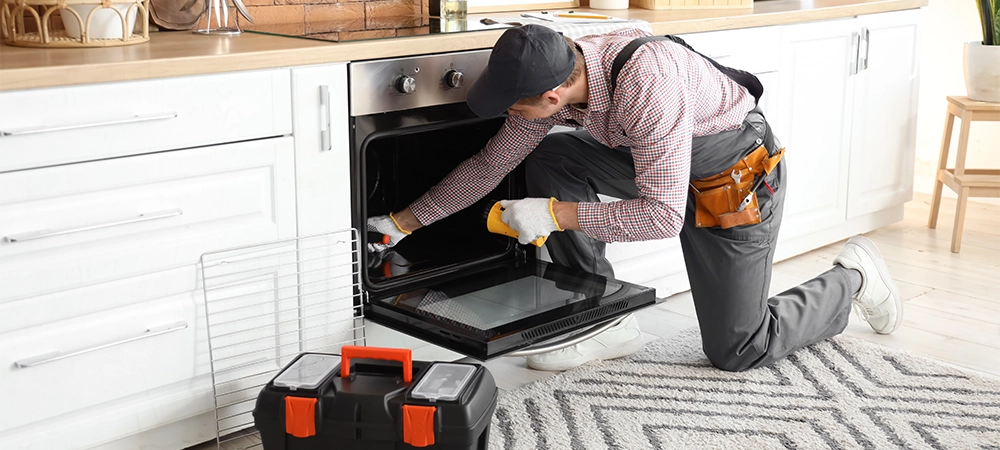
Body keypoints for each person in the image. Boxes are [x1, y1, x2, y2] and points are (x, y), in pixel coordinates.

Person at [366, 24, 903, 372]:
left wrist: (553, 214)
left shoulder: (644, 82)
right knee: (550, 157)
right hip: (660, 163)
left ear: (551, 97)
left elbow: (664, 215)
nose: (512, 116)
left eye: (517, 108)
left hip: (730, 176)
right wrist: (402, 222)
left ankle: (853, 277)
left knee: (739, 348)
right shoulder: (562, 67)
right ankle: (602, 320)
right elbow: (492, 163)